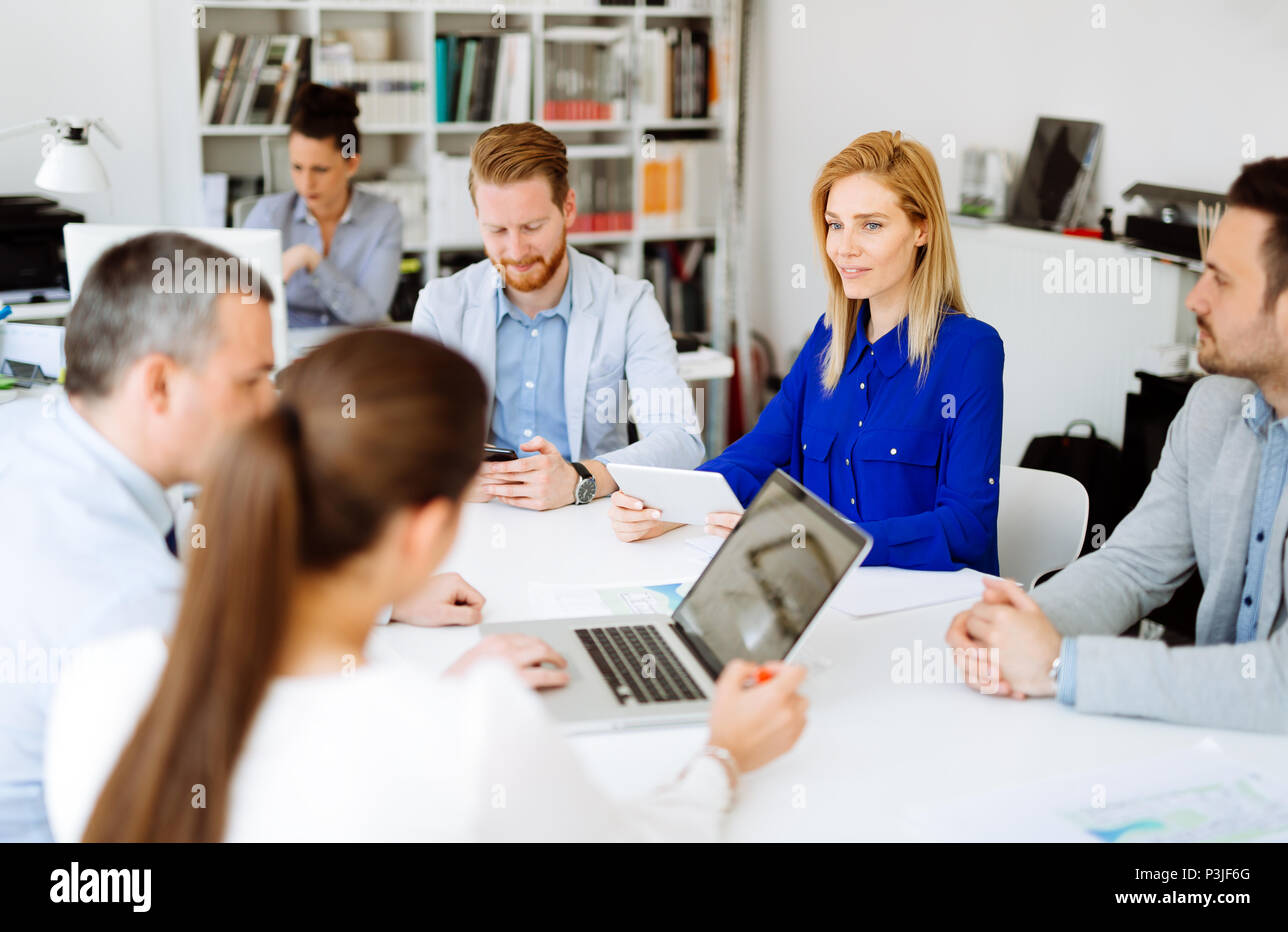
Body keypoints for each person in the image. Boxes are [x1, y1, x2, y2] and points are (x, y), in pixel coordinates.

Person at [43, 329, 809, 841]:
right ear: (426, 532)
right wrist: (725, 754)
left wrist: (446, 691)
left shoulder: (102, 680)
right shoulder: (469, 737)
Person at [0, 232, 499, 843]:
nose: (271, 409)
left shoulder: (31, 430)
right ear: (157, 385)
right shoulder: (132, 609)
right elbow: (282, 791)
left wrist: (383, 598)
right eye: (251, 381)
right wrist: (440, 713)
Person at [945, 155, 1288, 733]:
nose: (1195, 298)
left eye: (1222, 280)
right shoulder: (1213, 408)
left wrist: (1063, 665)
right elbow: (1132, 567)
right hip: (1221, 751)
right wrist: (1016, 627)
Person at [609, 130, 1005, 573]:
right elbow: (760, 453)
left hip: (925, 607)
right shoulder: (828, 337)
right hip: (821, 594)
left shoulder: (971, 351)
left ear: (922, 229)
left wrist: (822, 539)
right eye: (836, 224)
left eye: (871, 225)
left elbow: (967, 526)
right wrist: (668, 505)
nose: (844, 247)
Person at [411, 122, 704, 512]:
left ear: (568, 208)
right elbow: (408, 437)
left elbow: (681, 439)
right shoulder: (440, 307)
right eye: (496, 229)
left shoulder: (629, 304)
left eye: (532, 227)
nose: (515, 250)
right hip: (478, 518)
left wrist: (579, 479)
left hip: (591, 515)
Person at [244, 83, 402, 327]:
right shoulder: (268, 215)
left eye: (320, 169)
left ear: (351, 163)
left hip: (352, 345)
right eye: (297, 167)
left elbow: (369, 315)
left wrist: (312, 260)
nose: (306, 184)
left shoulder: (384, 218)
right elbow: (243, 303)